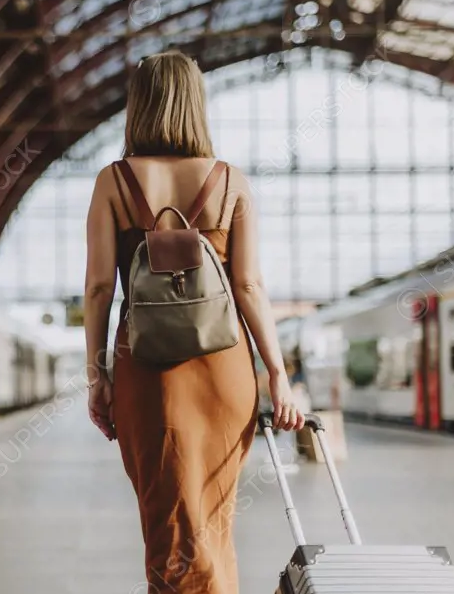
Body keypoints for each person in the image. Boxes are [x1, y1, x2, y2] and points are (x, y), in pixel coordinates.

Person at [83, 51, 305, 594]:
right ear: (194, 105)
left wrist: (98, 376)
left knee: (170, 529)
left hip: (149, 373)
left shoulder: (113, 182)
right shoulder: (229, 181)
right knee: (210, 524)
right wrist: (276, 373)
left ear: (139, 107)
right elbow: (250, 286)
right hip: (226, 375)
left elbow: (97, 289)